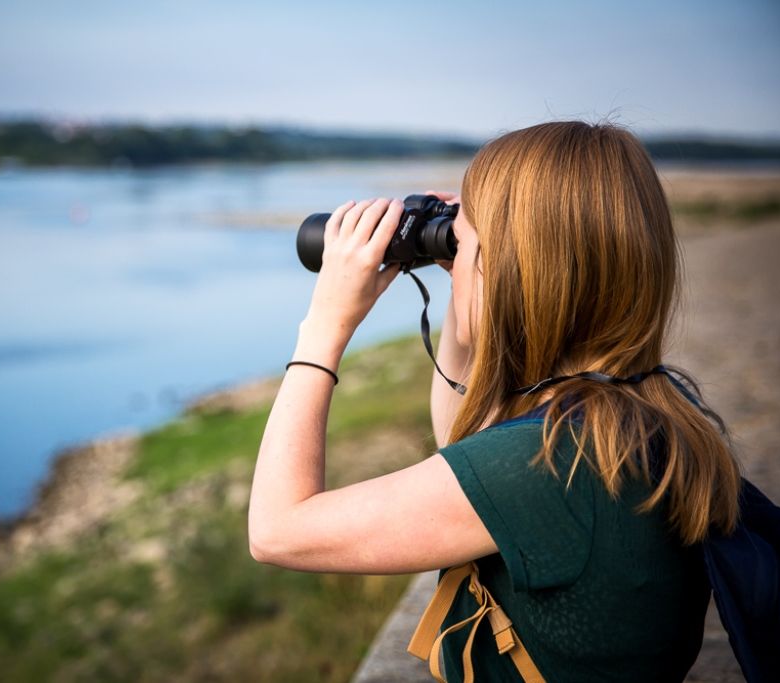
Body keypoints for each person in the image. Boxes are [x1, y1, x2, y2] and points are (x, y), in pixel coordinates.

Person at [247, 120, 742, 682]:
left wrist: (325, 326)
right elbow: (467, 441)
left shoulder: (547, 462)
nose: (456, 255)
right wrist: (467, 289)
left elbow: (277, 531)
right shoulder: (639, 406)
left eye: (466, 244)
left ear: (514, 271)